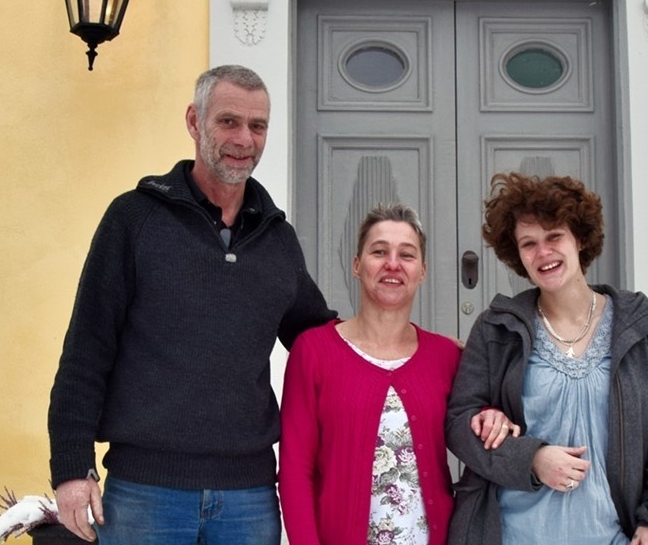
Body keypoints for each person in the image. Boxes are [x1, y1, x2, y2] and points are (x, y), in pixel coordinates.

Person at [47, 65, 336, 544]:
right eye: (228, 121)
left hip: (249, 497)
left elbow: (320, 338)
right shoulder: (134, 219)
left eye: (257, 126)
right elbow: (86, 349)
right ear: (194, 121)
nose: (244, 138)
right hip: (144, 493)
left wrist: (410, 347)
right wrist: (71, 469)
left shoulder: (277, 239)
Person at [445, 173, 648, 545]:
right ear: (517, 256)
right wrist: (531, 459)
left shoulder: (643, 326)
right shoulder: (497, 329)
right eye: (529, 243)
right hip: (511, 534)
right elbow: (459, 422)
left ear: (579, 238)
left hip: (612, 535)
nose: (543, 252)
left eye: (554, 236)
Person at [279, 203, 518, 545]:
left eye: (406, 255)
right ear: (357, 265)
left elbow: (473, 415)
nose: (392, 264)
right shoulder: (314, 352)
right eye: (379, 252)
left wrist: (491, 415)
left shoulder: (446, 356)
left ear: (422, 270)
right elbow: (295, 472)